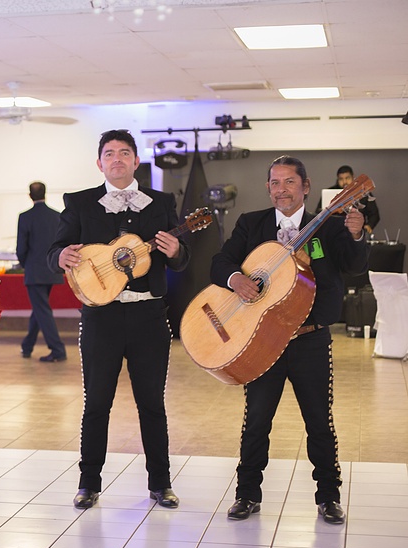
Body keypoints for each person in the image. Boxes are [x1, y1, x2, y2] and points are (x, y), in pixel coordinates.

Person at [212, 156, 368, 525]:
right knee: (256, 421)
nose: (281, 189)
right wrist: (236, 279)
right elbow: (221, 262)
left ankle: (329, 497)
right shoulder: (251, 223)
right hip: (262, 342)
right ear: (268, 188)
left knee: (319, 422)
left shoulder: (330, 226)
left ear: (306, 187)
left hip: (309, 340)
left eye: (289, 182)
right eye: (275, 182)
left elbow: (354, 266)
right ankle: (247, 494)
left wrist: (357, 234)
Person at [48, 129, 189, 510]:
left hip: (149, 316)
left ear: (136, 161)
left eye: (124, 153)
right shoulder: (79, 202)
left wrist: (176, 251)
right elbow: (55, 250)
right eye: (109, 153)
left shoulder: (161, 202)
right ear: (100, 163)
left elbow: (181, 259)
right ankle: (88, 484)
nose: (117, 159)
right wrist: (60, 257)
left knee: (152, 404)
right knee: (96, 403)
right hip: (101, 318)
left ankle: (161, 483)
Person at [17, 181, 67, 362]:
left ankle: (58, 350)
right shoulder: (57, 216)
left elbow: (21, 248)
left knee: (42, 310)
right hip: (52, 269)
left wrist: (26, 264)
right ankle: (27, 346)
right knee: (40, 309)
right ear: (45, 193)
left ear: (30, 195)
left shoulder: (25, 217)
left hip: (34, 270)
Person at [316, 165, 380, 234]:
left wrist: (369, 226)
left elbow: (374, 214)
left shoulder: (362, 192)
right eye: (341, 179)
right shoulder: (329, 193)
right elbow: (318, 213)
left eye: (347, 178)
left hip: (356, 232)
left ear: (353, 177)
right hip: (333, 232)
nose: (344, 181)